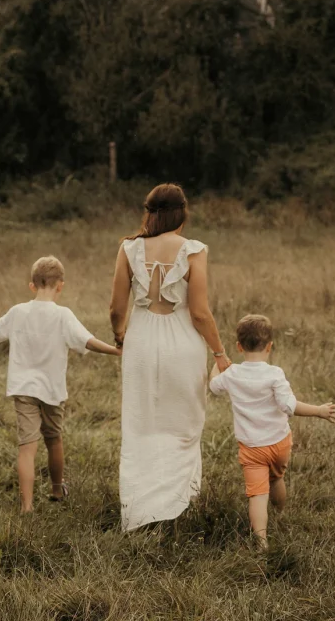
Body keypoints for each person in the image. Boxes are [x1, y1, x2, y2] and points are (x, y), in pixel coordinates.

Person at [109, 183, 231, 532]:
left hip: (141, 340)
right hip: (183, 344)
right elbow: (200, 313)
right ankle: (178, 505)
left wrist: (120, 335)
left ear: (149, 212)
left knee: (141, 423)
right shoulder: (194, 250)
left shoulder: (128, 248)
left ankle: (140, 511)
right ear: (183, 212)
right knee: (183, 424)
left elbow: (117, 307)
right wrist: (220, 353)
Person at [0, 255, 121, 512]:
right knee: (54, 440)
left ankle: (26, 506)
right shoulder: (63, 315)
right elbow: (87, 341)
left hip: (23, 388)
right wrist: (115, 350)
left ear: (32, 285)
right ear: (60, 285)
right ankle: (56, 489)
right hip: (52, 390)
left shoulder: (18, 311)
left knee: (27, 448)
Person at [209, 312, 335, 546]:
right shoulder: (274, 374)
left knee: (257, 495)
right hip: (279, 443)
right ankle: (281, 513)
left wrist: (216, 363)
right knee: (276, 478)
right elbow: (289, 406)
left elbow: (213, 387)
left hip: (252, 448)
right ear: (270, 346)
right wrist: (319, 410)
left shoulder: (231, 375)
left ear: (239, 347)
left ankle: (262, 543)